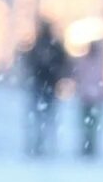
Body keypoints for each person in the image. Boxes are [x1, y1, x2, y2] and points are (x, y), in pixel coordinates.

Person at [21, 19, 70, 156]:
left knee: (41, 118)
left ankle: (41, 145)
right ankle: (39, 145)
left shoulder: (43, 45)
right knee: (43, 118)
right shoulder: (43, 45)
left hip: (45, 85)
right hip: (44, 85)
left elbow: (63, 63)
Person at [72, 38, 103, 158]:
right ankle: (88, 145)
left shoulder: (96, 62)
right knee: (88, 124)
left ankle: (90, 146)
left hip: (92, 98)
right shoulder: (94, 62)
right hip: (88, 98)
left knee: (91, 124)